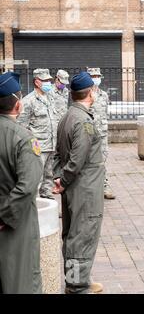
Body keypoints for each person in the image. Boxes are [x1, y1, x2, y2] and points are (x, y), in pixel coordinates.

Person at [52, 71, 105, 294]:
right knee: (82, 235)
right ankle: (76, 284)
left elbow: (57, 154)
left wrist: (58, 178)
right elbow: (77, 159)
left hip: (75, 187)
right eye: (94, 89)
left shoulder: (68, 116)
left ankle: (79, 279)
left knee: (74, 234)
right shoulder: (83, 121)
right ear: (90, 93)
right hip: (85, 188)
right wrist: (63, 180)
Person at [0, 72, 43, 294]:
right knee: (21, 278)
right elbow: (27, 186)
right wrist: (6, 216)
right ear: (18, 105)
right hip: (14, 222)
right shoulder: (24, 138)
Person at [17, 68, 57, 200]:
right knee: (36, 178)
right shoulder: (28, 101)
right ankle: (33, 206)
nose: (48, 83)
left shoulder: (50, 98)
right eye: (44, 80)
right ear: (36, 82)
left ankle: (47, 202)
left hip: (52, 144)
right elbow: (21, 127)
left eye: (49, 80)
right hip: (38, 147)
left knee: (49, 176)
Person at [87, 67, 116, 199]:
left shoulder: (104, 95)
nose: (96, 79)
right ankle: (90, 188)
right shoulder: (84, 95)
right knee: (87, 161)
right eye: (93, 76)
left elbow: (104, 113)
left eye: (98, 76)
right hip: (88, 134)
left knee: (102, 161)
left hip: (102, 134)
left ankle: (104, 186)